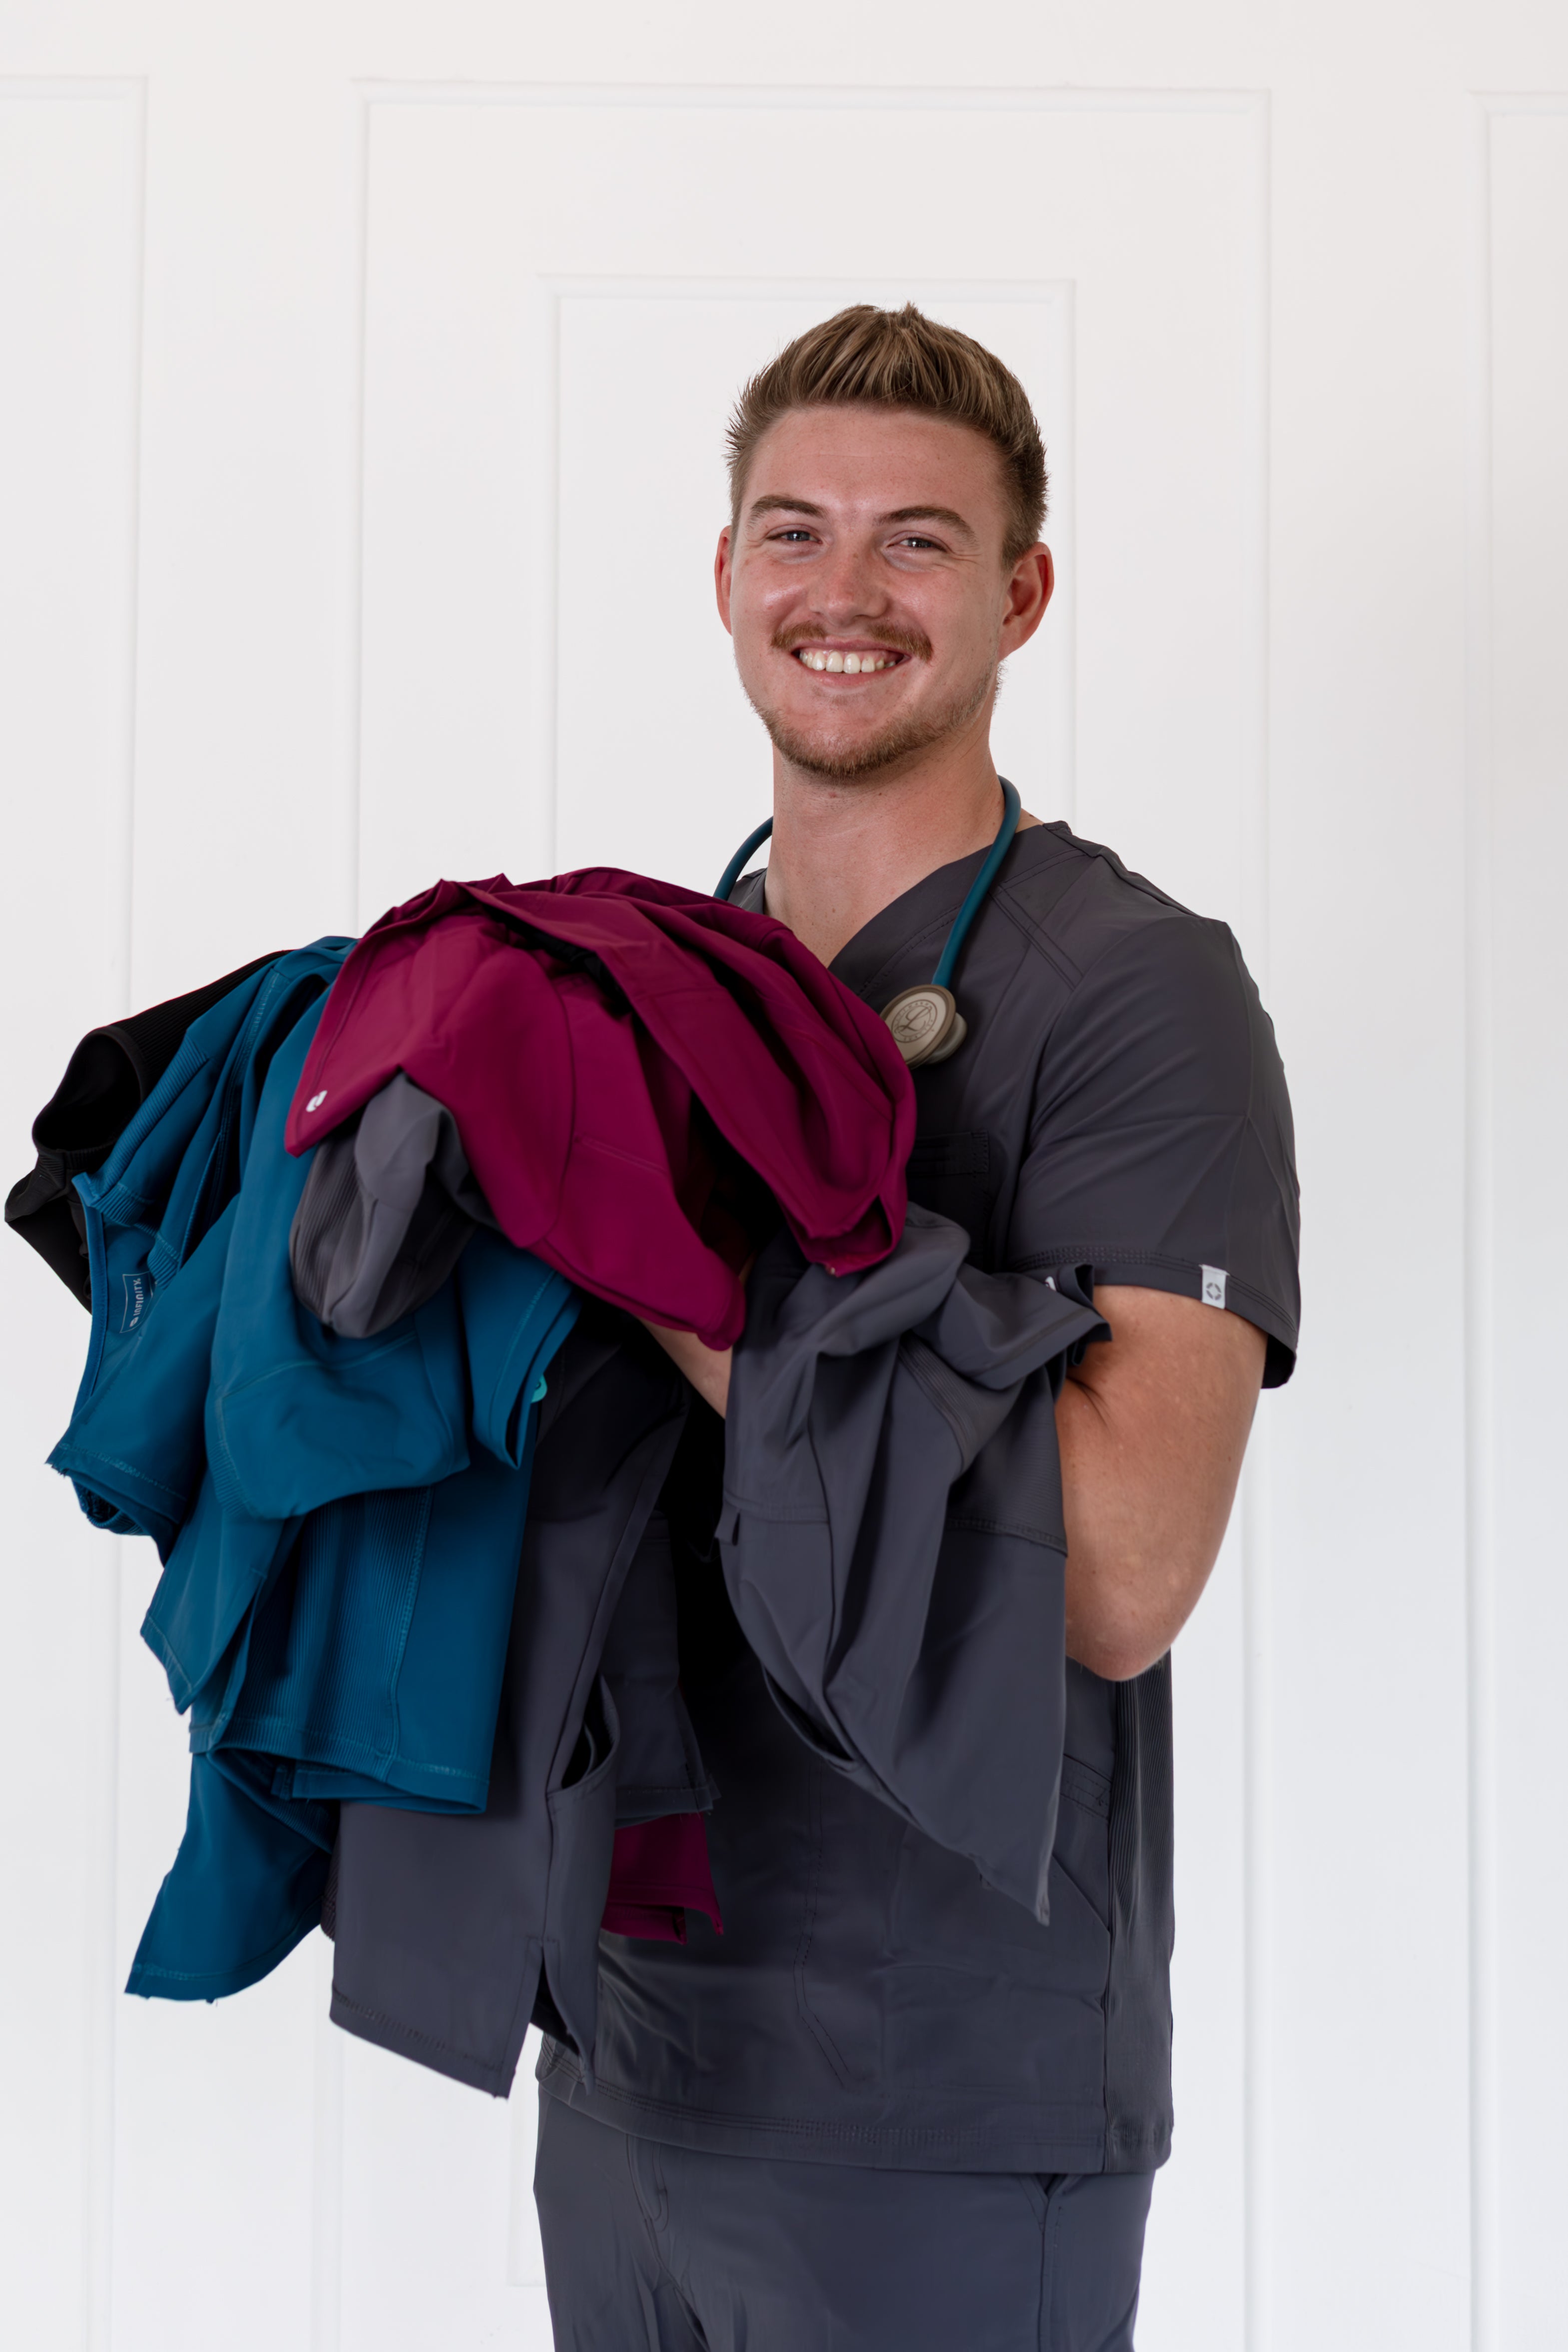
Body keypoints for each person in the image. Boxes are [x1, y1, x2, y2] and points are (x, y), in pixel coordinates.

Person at [532, 304, 1300, 2352]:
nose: (841, 593)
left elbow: (1126, 1566)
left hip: (942, 2092)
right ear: (722, 579)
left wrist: (676, 1256)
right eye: (791, 533)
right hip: (620, 2061)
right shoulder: (625, 985)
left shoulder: (1136, 994)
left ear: (1017, 592)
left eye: (915, 542)